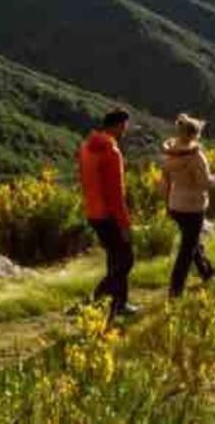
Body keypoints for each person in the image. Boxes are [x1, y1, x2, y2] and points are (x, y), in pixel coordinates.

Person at [78, 108, 138, 319]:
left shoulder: (86, 147)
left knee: (115, 259)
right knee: (126, 260)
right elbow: (115, 193)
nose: (125, 131)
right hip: (109, 214)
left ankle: (119, 305)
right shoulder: (111, 152)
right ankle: (93, 300)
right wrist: (124, 225)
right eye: (125, 127)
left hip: (92, 211)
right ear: (119, 126)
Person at [160, 113, 215, 298]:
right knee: (187, 249)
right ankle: (175, 289)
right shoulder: (197, 158)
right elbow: (207, 184)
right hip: (193, 207)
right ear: (195, 135)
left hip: (175, 205)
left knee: (192, 241)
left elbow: (164, 182)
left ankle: (207, 272)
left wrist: (167, 204)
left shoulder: (169, 155)